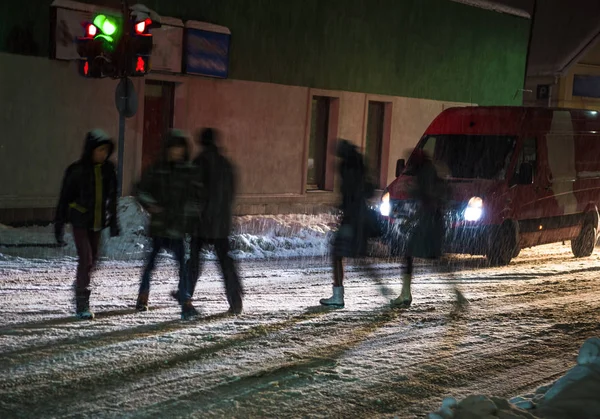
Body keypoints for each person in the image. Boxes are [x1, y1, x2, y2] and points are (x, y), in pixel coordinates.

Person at [390, 148, 468, 309]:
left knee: (414, 256)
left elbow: (426, 200)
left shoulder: (425, 173)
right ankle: (456, 293)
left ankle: (406, 294)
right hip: (433, 221)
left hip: (429, 222)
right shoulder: (429, 171)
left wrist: (411, 218)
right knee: (432, 258)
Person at [55, 129, 120, 320]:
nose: (103, 154)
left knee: (94, 259)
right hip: (80, 221)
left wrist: (114, 221)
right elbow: (64, 198)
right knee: (86, 258)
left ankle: (79, 286)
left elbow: (112, 198)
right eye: (99, 150)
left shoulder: (108, 170)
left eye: (106, 151)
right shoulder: (77, 170)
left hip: (97, 222)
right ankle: (82, 302)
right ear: (90, 150)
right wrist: (59, 224)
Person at [135, 129, 197, 319]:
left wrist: (191, 217)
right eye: (173, 148)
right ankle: (142, 296)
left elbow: (194, 198)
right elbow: (140, 190)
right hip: (160, 227)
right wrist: (150, 205)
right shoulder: (157, 170)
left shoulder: (187, 172)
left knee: (182, 267)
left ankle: (186, 302)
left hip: (177, 227)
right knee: (151, 264)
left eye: (179, 148)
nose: (175, 152)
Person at [185, 128, 243, 315]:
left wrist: (194, 217)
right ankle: (235, 300)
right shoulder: (226, 164)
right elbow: (231, 193)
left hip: (202, 222)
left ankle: (185, 297)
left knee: (194, 262)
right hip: (221, 223)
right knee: (225, 263)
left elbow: (194, 193)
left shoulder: (199, 162)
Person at [320, 139, 380, 308]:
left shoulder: (347, 169)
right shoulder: (359, 166)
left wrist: (341, 207)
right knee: (358, 256)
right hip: (359, 218)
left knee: (337, 254)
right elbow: (367, 191)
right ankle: (381, 287)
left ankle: (338, 295)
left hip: (351, 219)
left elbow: (349, 195)